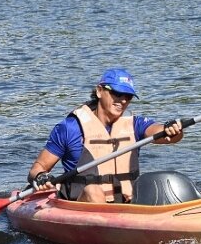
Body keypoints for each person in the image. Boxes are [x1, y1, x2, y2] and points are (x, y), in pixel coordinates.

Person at [27, 68, 183, 203]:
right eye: (117, 93)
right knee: (93, 191)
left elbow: (163, 134)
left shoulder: (134, 124)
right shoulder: (69, 128)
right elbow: (37, 168)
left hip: (126, 201)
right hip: (80, 203)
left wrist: (172, 130)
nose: (122, 101)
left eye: (128, 97)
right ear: (99, 91)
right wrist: (41, 177)